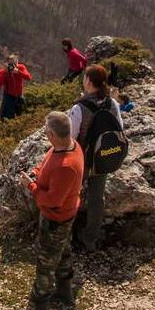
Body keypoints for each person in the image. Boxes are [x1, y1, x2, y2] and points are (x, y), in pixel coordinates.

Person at [18, 111, 84, 310]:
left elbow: (53, 201)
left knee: (45, 265)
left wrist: (32, 187)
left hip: (56, 218)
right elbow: (47, 162)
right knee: (63, 251)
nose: (45, 134)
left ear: (53, 134)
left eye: (47, 131)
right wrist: (36, 173)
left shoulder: (66, 165)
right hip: (66, 214)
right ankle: (65, 290)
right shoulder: (70, 145)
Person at [67, 64, 124, 252]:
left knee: (70, 195)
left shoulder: (79, 108)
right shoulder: (112, 104)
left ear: (89, 82)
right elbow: (119, 130)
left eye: (84, 77)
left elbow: (70, 138)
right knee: (97, 198)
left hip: (81, 160)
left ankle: (65, 235)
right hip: (102, 158)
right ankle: (90, 238)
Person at [0, 54, 32, 120]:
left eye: (15, 63)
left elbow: (28, 77)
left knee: (20, 115)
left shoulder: (21, 67)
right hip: (9, 96)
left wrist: (18, 72)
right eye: (11, 64)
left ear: (17, 62)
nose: (13, 66)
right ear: (7, 63)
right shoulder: (3, 71)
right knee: (7, 117)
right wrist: (5, 72)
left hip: (19, 96)